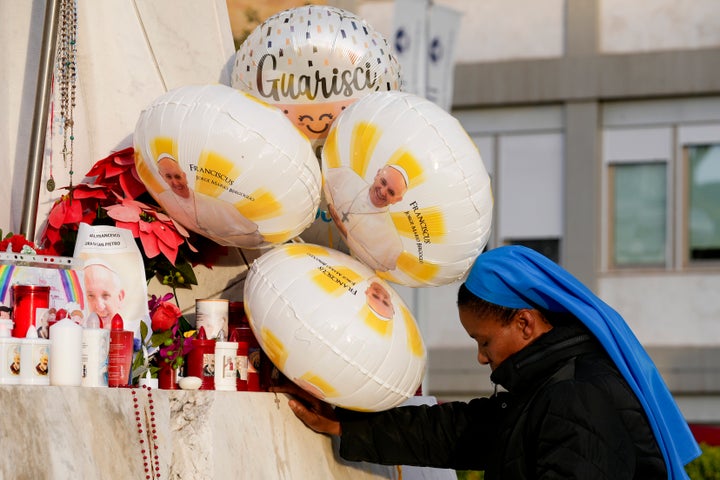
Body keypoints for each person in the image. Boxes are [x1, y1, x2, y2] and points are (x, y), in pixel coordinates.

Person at [273, 245, 701, 479]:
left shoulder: (576, 395)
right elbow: (459, 432)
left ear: (525, 323)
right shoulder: (549, 387)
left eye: (483, 340)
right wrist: (345, 424)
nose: (481, 357)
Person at [156, 154, 264, 248]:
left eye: (177, 176)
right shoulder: (164, 198)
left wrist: (221, 239)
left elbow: (256, 239)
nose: (175, 182)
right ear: (162, 177)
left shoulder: (222, 207)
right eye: (168, 177)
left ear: (184, 176)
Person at [325, 164, 407, 272]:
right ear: (377, 174)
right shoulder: (346, 176)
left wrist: (345, 232)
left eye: (391, 192)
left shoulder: (392, 242)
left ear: (397, 200)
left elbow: (375, 266)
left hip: (341, 270)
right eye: (383, 182)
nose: (382, 192)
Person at [83, 260, 126, 329]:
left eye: (105, 295)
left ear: (120, 297)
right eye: (91, 296)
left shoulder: (136, 334)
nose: (100, 307)